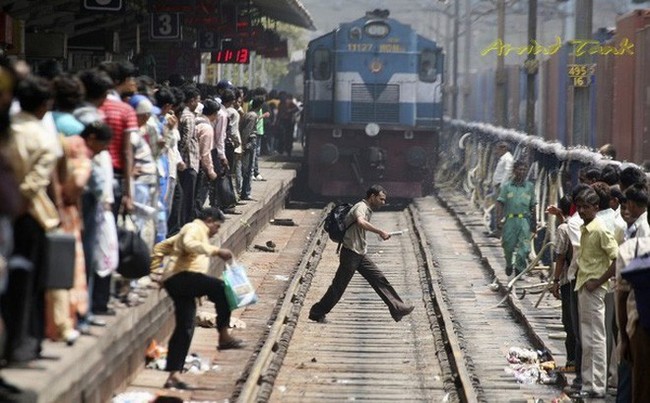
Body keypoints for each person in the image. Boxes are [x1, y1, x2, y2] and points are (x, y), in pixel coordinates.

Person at [150, 207, 244, 390]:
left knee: (185, 327)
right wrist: (216, 251)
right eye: (216, 226)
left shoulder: (193, 231)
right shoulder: (194, 228)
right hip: (182, 277)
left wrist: (156, 272)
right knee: (221, 288)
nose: (216, 231)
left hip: (179, 282)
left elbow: (160, 248)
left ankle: (173, 376)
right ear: (209, 220)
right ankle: (224, 336)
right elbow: (187, 243)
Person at [308, 185, 415, 323]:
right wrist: (380, 231)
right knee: (339, 286)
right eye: (381, 199)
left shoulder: (366, 208)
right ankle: (317, 312)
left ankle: (397, 307)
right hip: (351, 253)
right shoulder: (361, 207)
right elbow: (360, 222)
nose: (383, 203)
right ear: (372, 197)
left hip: (359, 253)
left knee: (378, 278)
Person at [572, 187, 619, 399]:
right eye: (580, 207)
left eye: (586, 207)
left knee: (597, 338)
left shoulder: (600, 230)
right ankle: (589, 382)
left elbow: (617, 259)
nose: (581, 211)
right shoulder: (586, 228)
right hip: (584, 285)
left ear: (596, 208)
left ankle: (597, 384)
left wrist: (599, 281)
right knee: (587, 336)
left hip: (594, 288)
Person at [495, 160, 537, 277]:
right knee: (508, 245)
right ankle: (509, 264)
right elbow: (500, 203)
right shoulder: (507, 186)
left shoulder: (529, 187)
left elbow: (533, 205)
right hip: (510, 220)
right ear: (514, 171)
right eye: (519, 169)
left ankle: (519, 267)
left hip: (524, 220)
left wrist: (534, 223)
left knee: (524, 248)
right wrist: (498, 220)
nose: (522, 172)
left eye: (524, 170)